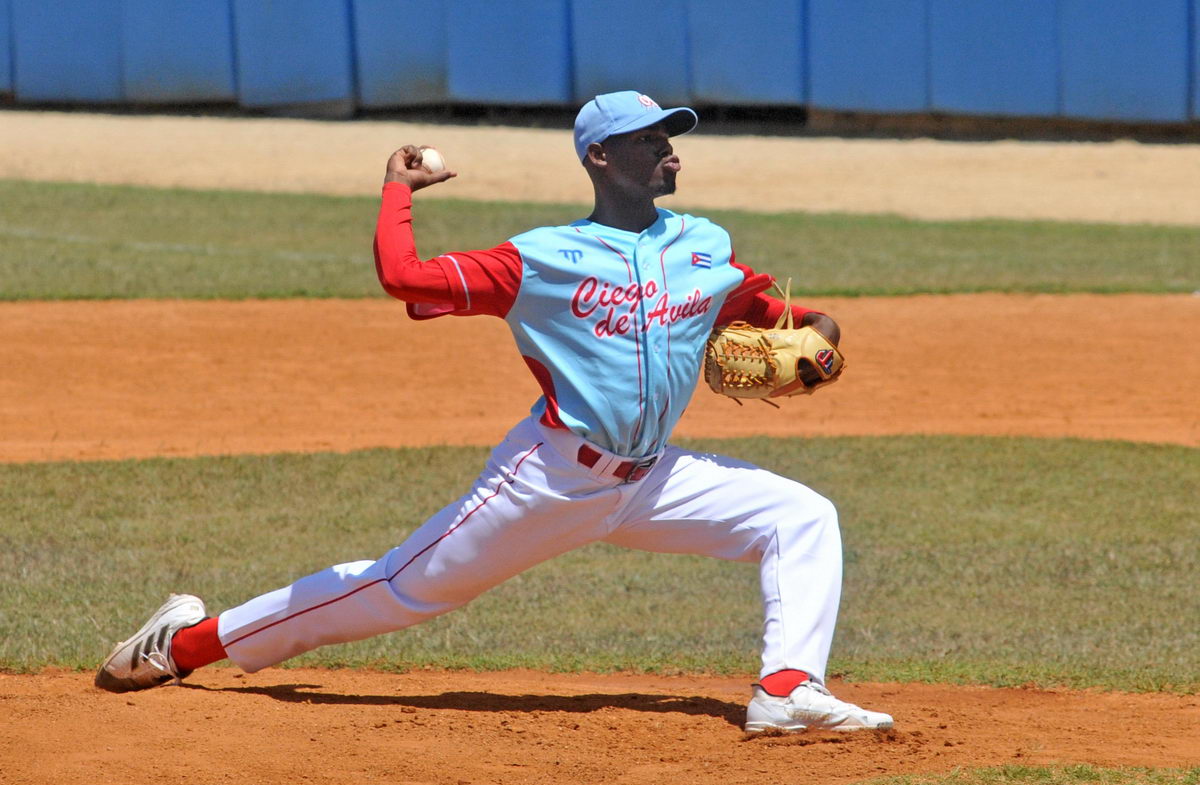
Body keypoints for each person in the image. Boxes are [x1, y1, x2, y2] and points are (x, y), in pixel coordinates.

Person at [96, 90, 892, 734]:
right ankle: (183, 644)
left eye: (671, 136)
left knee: (801, 516)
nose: (669, 150)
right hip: (549, 478)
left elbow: (779, 314)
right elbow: (406, 278)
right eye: (649, 138)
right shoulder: (540, 257)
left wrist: (819, 336)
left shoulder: (704, 247)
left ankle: (787, 690)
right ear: (600, 156)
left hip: (652, 480)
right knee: (394, 592)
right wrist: (397, 192)